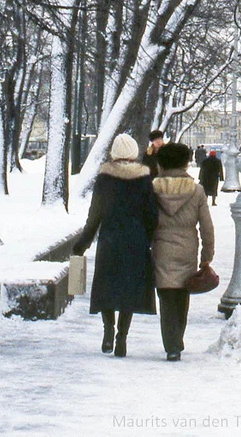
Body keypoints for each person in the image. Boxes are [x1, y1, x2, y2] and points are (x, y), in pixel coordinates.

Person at [71, 133, 158, 358]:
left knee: (107, 287)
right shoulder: (144, 178)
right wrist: (148, 238)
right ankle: (122, 337)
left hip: (110, 240)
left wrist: (83, 243)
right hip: (136, 241)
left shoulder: (105, 178)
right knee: (129, 290)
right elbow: (151, 214)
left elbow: (95, 214)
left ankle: (108, 330)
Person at [151, 142, 215, 362]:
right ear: (186, 163)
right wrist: (207, 257)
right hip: (187, 248)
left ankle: (171, 345)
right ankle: (177, 339)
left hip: (161, 247)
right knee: (182, 295)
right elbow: (206, 226)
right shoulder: (196, 190)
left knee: (166, 296)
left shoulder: (152, 188)